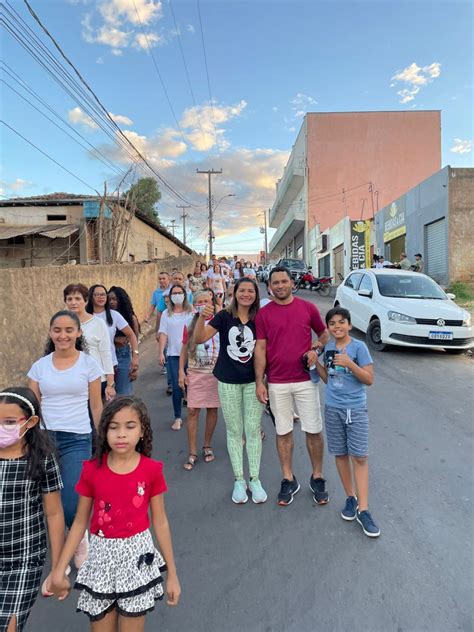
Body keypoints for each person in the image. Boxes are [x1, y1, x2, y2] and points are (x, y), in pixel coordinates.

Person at [49, 396, 181, 627]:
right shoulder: (91, 470)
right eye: (113, 427)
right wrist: (59, 568)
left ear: (142, 431)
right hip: (100, 560)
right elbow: (80, 523)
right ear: (103, 431)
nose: (121, 434)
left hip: (136, 561)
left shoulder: (151, 470)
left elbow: (160, 522)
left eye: (130, 426)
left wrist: (172, 574)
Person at [27, 310, 103, 570]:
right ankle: (60, 554)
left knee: (71, 502)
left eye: (69, 330)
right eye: (57, 330)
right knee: (50, 501)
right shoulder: (39, 367)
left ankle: (79, 538)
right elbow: (32, 409)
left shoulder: (89, 365)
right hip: (45, 440)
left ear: (78, 333)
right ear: (50, 333)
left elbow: (96, 405)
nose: (63, 335)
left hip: (78, 439)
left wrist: (103, 439)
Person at [254, 267, 330, 506]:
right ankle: (288, 478)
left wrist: (315, 348)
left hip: (306, 380)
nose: (279, 286)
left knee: (314, 431)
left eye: (284, 281)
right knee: (283, 432)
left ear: (292, 283)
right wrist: (259, 381)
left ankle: (317, 476)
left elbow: (324, 334)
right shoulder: (264, 315)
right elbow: (261, 349)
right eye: (275, 283)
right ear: (270, 286)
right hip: (277, 382)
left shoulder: (308, 308)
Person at [194, 277, 267, 504]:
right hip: (228, 381)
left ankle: (255, 479)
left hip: (253, 381)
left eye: (250, 291)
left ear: (256, 294)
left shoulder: (261, 318)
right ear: (234, 293)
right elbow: (199, 338)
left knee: (253, 430)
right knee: (235, 430)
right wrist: (200, 317)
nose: (246, 294)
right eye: (242, 291)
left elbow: (264, 349)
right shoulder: (224, 317)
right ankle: (239, 480)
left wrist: (261, 381)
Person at [0, 387, 64, 632]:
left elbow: (54, 513)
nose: (2, 427)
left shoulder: (42, 458)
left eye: (8, 422)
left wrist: (57, 568)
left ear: (31, 422)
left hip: (24, 559)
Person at [313, 307, 380, 537]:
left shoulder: (359, 347)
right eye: (332, 323)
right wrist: (316, 363)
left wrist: (350, 364)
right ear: (328, 328)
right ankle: (350, 498)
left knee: (359, 456)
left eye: (342, 322)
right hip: (333, 408)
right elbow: (327, 379)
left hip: (355, 409)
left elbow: (369, 379)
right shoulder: (329, 348)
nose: (337, 327)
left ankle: (364, 509)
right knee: (340, 454)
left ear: (349, 325)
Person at [179, 290, 220, 470]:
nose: (203, 304)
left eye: (206, 300)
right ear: (195, 305)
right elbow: (184, 349)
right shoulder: (189, 323)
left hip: (215, 374)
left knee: (212, 410)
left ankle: (207, 445)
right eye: (199, 301)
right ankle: (192, 451)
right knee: (193, 411)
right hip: (195, 372)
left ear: (212, 302)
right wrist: (181, 371)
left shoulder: (220, 322)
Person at [63, 283, 115, 401]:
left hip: (96, 381)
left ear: (85, 301)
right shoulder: (62, 325)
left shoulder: (98, 323)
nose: (73, 302)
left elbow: (106, 354)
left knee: (95, 417)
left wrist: (110, 384)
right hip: (72, 383)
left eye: (77, 298)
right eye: (69, 299)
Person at [86, 285, 140, 395]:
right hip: (92, 365)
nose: (101, 297)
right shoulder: (85, 317)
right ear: (91, 297)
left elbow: (132, 335)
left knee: (121, 397)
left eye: (103, 294)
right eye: (97, 295)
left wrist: (135, 356)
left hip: (113, 363)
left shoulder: (114, 315)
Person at [158, 284, 194, 431]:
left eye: (180, 292)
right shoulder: (167, 314)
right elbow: (163, 333)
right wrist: (161, 352)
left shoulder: (191, 312)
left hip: (191, 355)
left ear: (185, 295)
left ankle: (192, 411)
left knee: (190, 384)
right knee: (176, 386)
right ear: (170, 297)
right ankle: (177, 417)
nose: (177, 295)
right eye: (174, 293)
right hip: (173, 355)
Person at [108, 286, 141, 395]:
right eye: (110, 299)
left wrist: (134, 366)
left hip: (123, 355)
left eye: (115, 299)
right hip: (107, 358)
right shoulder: (103, 318)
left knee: (123, 394)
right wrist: (115, 340)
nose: (112, 302)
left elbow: (134, 342)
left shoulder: (130, 318)